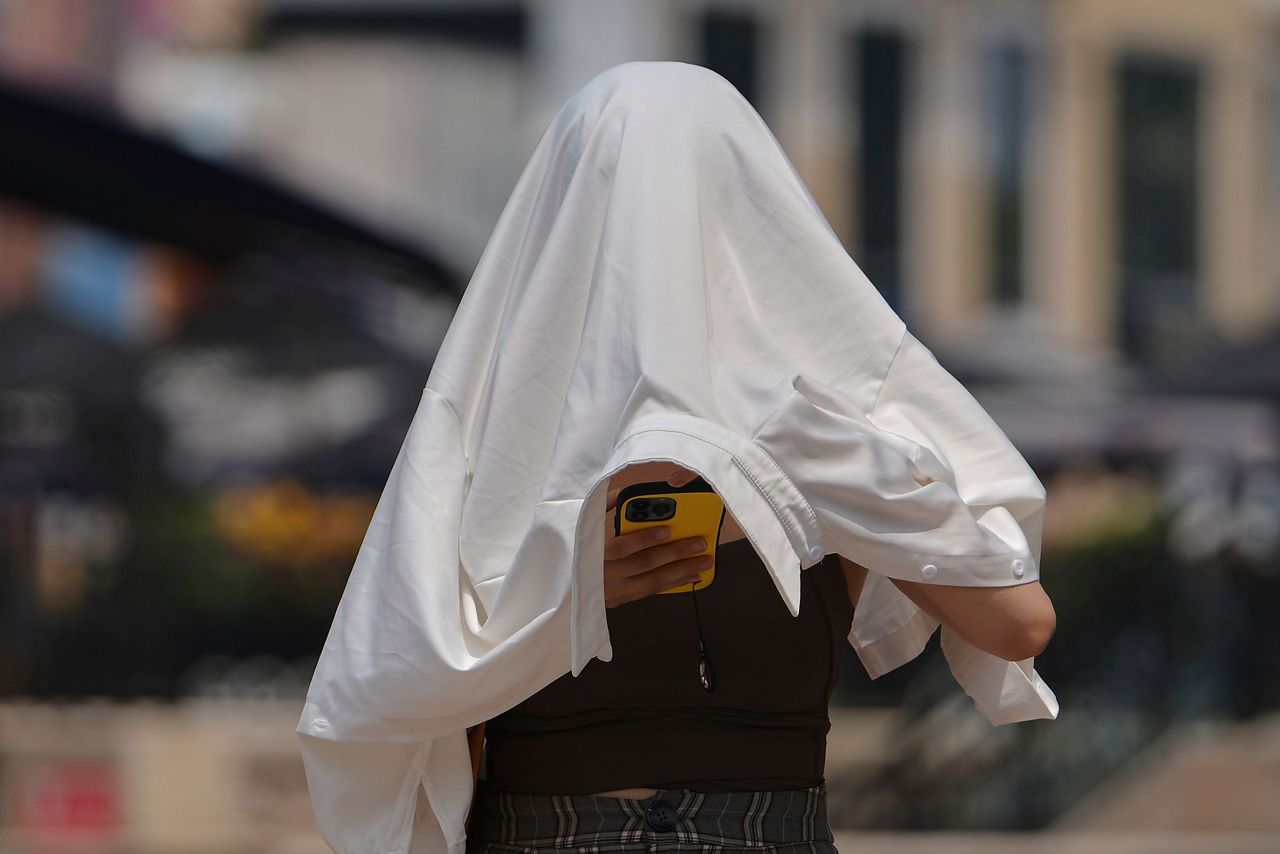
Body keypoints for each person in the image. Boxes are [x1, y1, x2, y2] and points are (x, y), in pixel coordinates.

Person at [296, 60, 1059, 854]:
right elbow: (388, 699)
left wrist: (809, 464)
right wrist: (560, 605)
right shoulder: (502, 416)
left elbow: (1018, 623)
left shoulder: (834, 412)